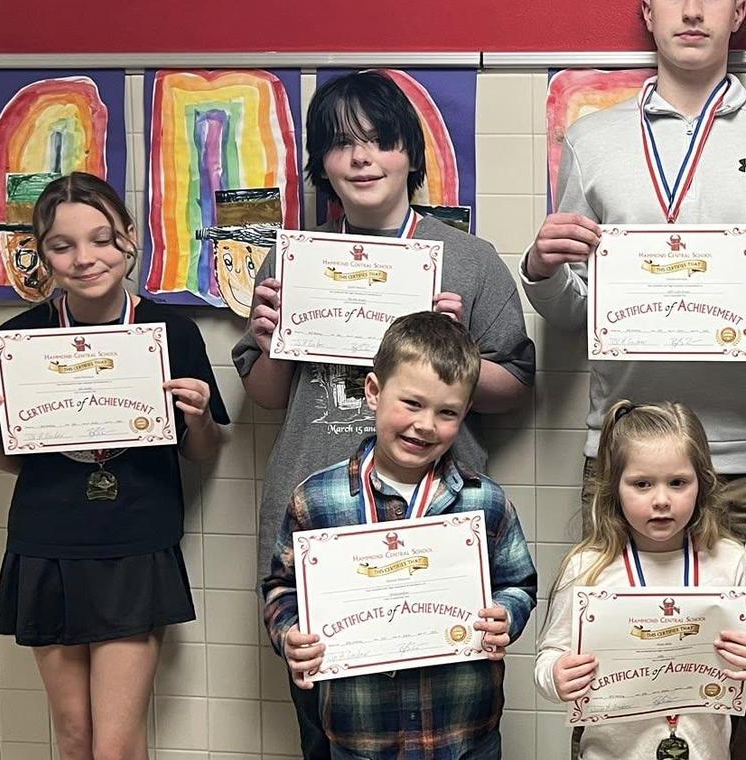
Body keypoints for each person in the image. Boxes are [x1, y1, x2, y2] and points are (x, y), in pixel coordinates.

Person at [521, 4, 746, 751]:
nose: (692, 10)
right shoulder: (592, 140)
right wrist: (540, 269)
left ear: (739, 11)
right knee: (614, 684)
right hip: (626, 459)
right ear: (646, 10)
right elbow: (577, 312)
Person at [234, 69, 535, 759]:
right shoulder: (291, 259)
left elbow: (517, 384)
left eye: (379, 141)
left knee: (446, 716)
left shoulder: (468, 260)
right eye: (342, 144)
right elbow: (268, 396)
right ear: (322, 163)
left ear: (410, 156)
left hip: (439, 513)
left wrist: (457, 350)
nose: (362, 158)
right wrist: (270, 338)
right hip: (321, 510)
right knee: (336, 721)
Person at [0, 171, 229, 760]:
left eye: (101, 239)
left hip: (133, 544)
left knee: (116, 746)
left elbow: (199, 452)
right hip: (45, 544)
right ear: (42, 254)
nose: (84, 258)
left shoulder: (172, 333)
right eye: (62, 245)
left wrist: (199, 418)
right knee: (74, 739)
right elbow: (19, 460)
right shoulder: (19, 340)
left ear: (129, 238)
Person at [261, 312, 538, 759]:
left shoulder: (486, 501)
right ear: (373, 391)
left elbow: (518, 583)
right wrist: (291, 634)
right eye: (411, 403)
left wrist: (506, 614)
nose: (426, 424)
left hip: (463, 735)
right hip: (360, 735)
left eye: (447, 412)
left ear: (465, 412)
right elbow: (281, 588)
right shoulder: (315, 498)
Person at [537, 400, 746, 759]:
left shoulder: (727, 560)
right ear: (614, 487)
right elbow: (549, 659)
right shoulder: (588, 567)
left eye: (677, 483)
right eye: (641, 484)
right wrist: (556, 676)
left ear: (702, 484)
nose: (661, 500)